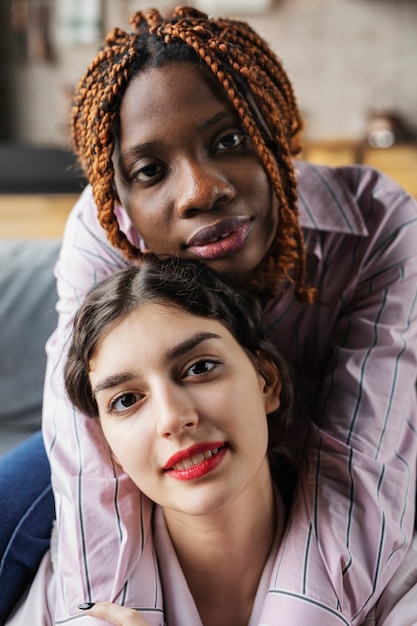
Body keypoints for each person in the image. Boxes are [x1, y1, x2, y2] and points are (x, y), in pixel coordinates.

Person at [1, 5, 417, 625]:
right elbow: (83, 432)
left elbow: (365, 453)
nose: (201, 190)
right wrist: (113, 612)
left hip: (349, 430)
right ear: (123, 209)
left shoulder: (377, 225)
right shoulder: (102, 229)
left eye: (228, 141)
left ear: (275, 132)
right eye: (151, 171)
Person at [7, 258, 417, 626]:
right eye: (126, 400)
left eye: (200, 368)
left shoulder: (392, 578)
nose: (173, 418)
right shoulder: (68, 592)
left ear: (267, 382)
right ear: (106, 445)